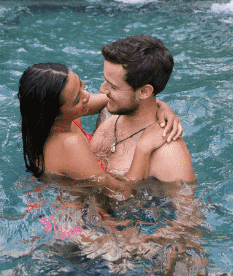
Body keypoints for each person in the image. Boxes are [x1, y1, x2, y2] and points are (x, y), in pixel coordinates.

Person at [18, 62, 182, 193]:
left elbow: (122, 99)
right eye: (77, 98)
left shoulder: (61, 118)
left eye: (81, 86)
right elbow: (122, 194)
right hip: (74, 220)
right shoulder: (69, 143)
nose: (87, 95)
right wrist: (144, 148)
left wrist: (162, 107)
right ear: (54, 113)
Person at [91, 35, 195, 182]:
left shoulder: (170, 155)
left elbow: (187, 205)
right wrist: (162, 105)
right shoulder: (107, 113)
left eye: (113, 86)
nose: (102, 90)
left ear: (144, 92)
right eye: (105, 80)